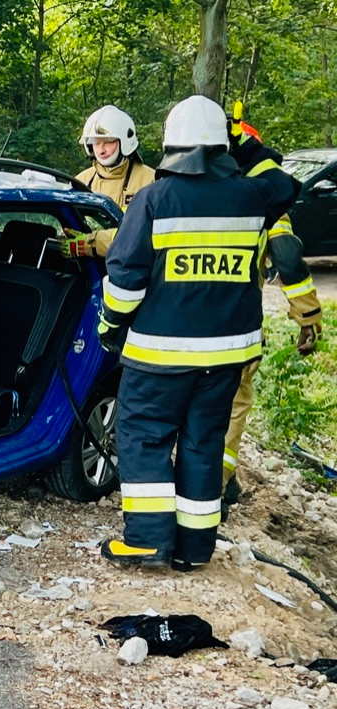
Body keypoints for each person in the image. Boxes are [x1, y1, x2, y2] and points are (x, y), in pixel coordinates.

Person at [96, 95, 299, 571]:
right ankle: (193, 550)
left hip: (160, 356)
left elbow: (125, 280)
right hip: (227, 356)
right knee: (204, 442)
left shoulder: (155, 199)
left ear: (172, 144)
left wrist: (110, 326)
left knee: (143, 437)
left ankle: (147, 541)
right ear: (221, 145)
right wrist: (249, 148)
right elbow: (286, 185)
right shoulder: (253, 197)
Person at [220, 119, 323, 514]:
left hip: (176, 324)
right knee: (232, 405)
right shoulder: (262, 197)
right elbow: (287, 257)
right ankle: (216, 483)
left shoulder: (184, 189)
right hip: (237, 325)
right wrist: (308, 315)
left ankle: (216, 479)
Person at [61, 106, 156, 258]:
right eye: (96, 142)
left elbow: (147, 235)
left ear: (125, 141)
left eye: (108, 142)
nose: (101, 150)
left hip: (133, 268)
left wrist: (92, 244)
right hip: (90, 268)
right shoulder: (81, 182)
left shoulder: (151, 181)